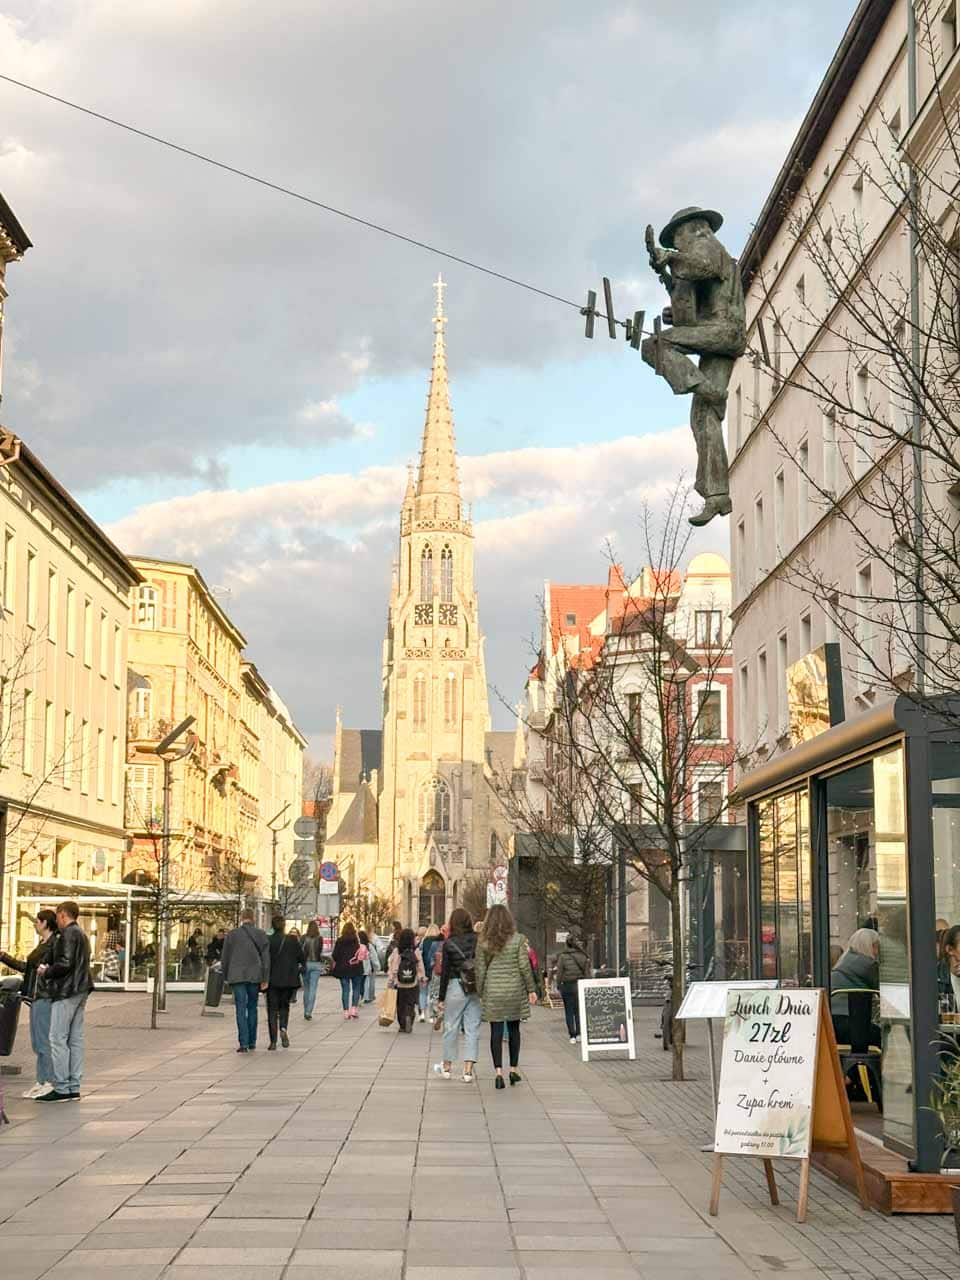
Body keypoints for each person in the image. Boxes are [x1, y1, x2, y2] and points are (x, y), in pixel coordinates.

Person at [35, 901, 94, 1102]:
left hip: (67, 991)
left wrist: (46, 971)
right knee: (75, 1039)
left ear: (62, 915)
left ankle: (61, 1087)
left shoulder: (68, 933)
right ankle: (73, 1086)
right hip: (81, 989)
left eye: (58, 916)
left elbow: (66, 962)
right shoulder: (82, 934)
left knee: (57, 1038)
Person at [475, 904, 537, 1089]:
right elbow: (524, 967)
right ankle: (513, 1069)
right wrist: (531, 989)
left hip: (493, 991)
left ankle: (498, 1073)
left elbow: (480, 969)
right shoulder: (518, 940)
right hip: (514, 991)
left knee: (495, 1032)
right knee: (514, 1030)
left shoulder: (484, 941)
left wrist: (481, 991)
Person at [0, 908, 58, 1098]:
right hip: (35, 996)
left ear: (45, 924)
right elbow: (28, 969)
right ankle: (41, 1081)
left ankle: (48, 1081)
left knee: (42, 1041)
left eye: (37, 921)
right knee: (37, 1042)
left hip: (43, 996)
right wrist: (4, 957)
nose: (35, 924)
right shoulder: (44, 943)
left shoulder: (52, 945)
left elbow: (46, 971)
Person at [433, 907, 481, 1083]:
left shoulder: (449, 943)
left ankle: (447, 1067)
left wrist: (441, 998)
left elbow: (444, 972)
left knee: (451, 1027)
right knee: (472, 1028)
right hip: (473, 987)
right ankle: (468, 1071)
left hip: (454, 986)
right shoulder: (478, 940)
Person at [221, 907, 271, 1053]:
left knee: (240, 1009)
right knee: (252, 1007)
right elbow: (266, 959)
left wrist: (226, 976)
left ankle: (243, 1043)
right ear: (253, 918)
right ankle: (252, 1041)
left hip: (236, 976)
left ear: (242, 918)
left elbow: (225, 957)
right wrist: (265, 977)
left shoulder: (232, 935)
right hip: (255, 976)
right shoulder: (261, 934)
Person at [830, 927, 880, 1048]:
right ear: (869, 946)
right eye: (876, 946)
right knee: (886, 1035)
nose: (878, 951)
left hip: (832, 1024)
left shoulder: (845, 961)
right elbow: (883, 989)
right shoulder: (868, 965)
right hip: (853, 1026)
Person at [266, 916, 303, 1050]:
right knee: (284, 1007)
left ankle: (273, 1041)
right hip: (288, 980)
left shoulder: (268, 941)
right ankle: (283, 1028)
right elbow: (301, 958)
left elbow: (265, 960)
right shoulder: (292, 940)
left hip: (272, 981)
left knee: (272, 1010)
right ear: (283, 926)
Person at [388, 927, 425, 1033]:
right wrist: (422, 977)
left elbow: (394, 967)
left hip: (399, 983)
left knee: (400, 1004)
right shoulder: (416, 951)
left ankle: (402, 1025)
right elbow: (420, 965)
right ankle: (410, 1016)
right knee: (411, 1003)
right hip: (412, 983)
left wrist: (391, 979)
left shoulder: (397, 951)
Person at [555, 936, 590, 1043]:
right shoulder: (583, 956)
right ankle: (579, 1034)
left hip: (567, 986)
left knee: (569, 1011)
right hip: (580, 985)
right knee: (578, 1011)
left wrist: (558, 985)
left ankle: (572, 1036)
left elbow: (559, 972)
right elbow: (587, 973)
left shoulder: (562, 957)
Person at [331, 922, 366, 1019]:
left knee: (345, 990)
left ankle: (346, 1012)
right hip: (356, 967)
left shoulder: (339, 941)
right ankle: (354, 1010)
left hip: (343, 969)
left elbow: (335, 955)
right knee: (356, 988)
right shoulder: (357, 940)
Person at [301, 921, 325, 1019]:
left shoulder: (303, 938)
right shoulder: (320, 938)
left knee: (306, 988)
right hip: (316, 964)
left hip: (305, 964)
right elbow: (320, 951)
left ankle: (305, 1009)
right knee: (313, 988)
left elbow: (300, 951)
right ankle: (308, 1012)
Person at [419, 924, 442, 1023]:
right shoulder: (439, 942)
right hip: (435, 970)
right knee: (432, 993)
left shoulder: (424, 941)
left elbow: (421, 956)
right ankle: (432, 1015)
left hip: (424, 969)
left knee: (422, 992)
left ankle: (422, 1014)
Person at [359, 930, 380, 1005]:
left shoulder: (357, 945)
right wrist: (377, 967)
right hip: (366, 968)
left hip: (358, 968)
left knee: (359, 983)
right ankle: (365, 997)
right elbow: (374, 957)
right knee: (365, 982)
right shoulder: (368, 945)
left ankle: (359, 997)